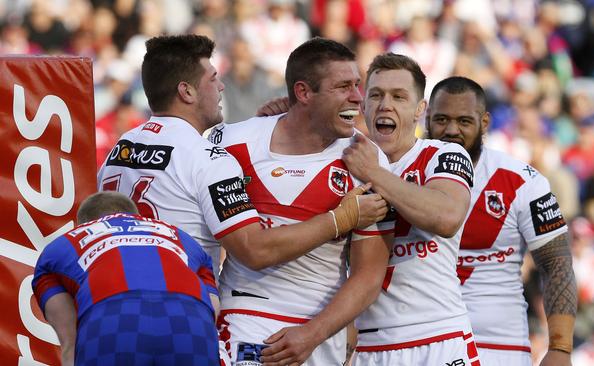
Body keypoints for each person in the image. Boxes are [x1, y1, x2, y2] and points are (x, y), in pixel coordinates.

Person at [97, 34, 386, 277]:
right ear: (186, 91)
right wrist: (340, 219)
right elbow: (255, 250)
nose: (222, 86)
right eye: (213, 79)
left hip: (113, 296)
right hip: (177, 308)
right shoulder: (208, 157)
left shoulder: (120, 148)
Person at [209, 37, 394, 366]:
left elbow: (369, 274)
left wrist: (312, 333)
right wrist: (340, 219)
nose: (357, 97)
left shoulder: (366, 159)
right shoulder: (232, 142)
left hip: (321, 332)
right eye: (343, 87)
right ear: (304, 92)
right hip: (247, 316)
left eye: (357, 85)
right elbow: (252, 251)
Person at [426, 76, 577, 366]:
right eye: (442, 119)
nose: (451, 130)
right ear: (428, 117)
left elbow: (556, 262)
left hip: (498, 347)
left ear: (484, 123)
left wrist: (560, 348)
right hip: (421, 341)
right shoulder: (401, 174)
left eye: (464, 121)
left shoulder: (522, 182)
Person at [341, 53, 479, 365]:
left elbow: (446, 217)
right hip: (369, 344)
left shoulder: (442, 154)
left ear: (420, 110)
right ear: (363, 106)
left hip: (438, 337)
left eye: (399, 96)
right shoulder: (343, 160)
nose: (385, 104)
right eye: (375, 95)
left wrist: (374, 173)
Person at [31, 192, 222, 366]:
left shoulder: (62, 245)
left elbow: (70, 344)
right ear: (137, 216)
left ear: (84, 224)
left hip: (114, 319)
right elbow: (212, 309)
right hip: (189, 321)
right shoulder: (182, 236)